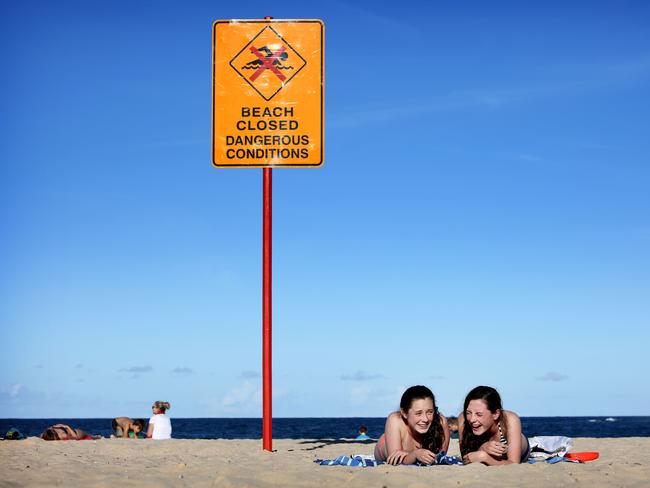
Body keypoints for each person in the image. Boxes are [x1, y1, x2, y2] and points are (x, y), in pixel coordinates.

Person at [374, 385, 450, 465]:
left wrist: (410, 453)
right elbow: (395, 460)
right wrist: (415, 454)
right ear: (404, 413)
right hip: (387, 441)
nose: (425, 419)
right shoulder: (395, 420)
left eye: (430, 412)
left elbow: (440, 457)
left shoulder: (441, 423)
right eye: (418, 413)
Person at [458, 386, 530, 465]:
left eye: (479, 414)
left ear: (496, 414)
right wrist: (482, 448)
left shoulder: (510, 419)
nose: (471, 419)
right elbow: (465, 458)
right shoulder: (463, 419)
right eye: (468, 412)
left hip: (521, 451)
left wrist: (485, 457)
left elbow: (514, 463)